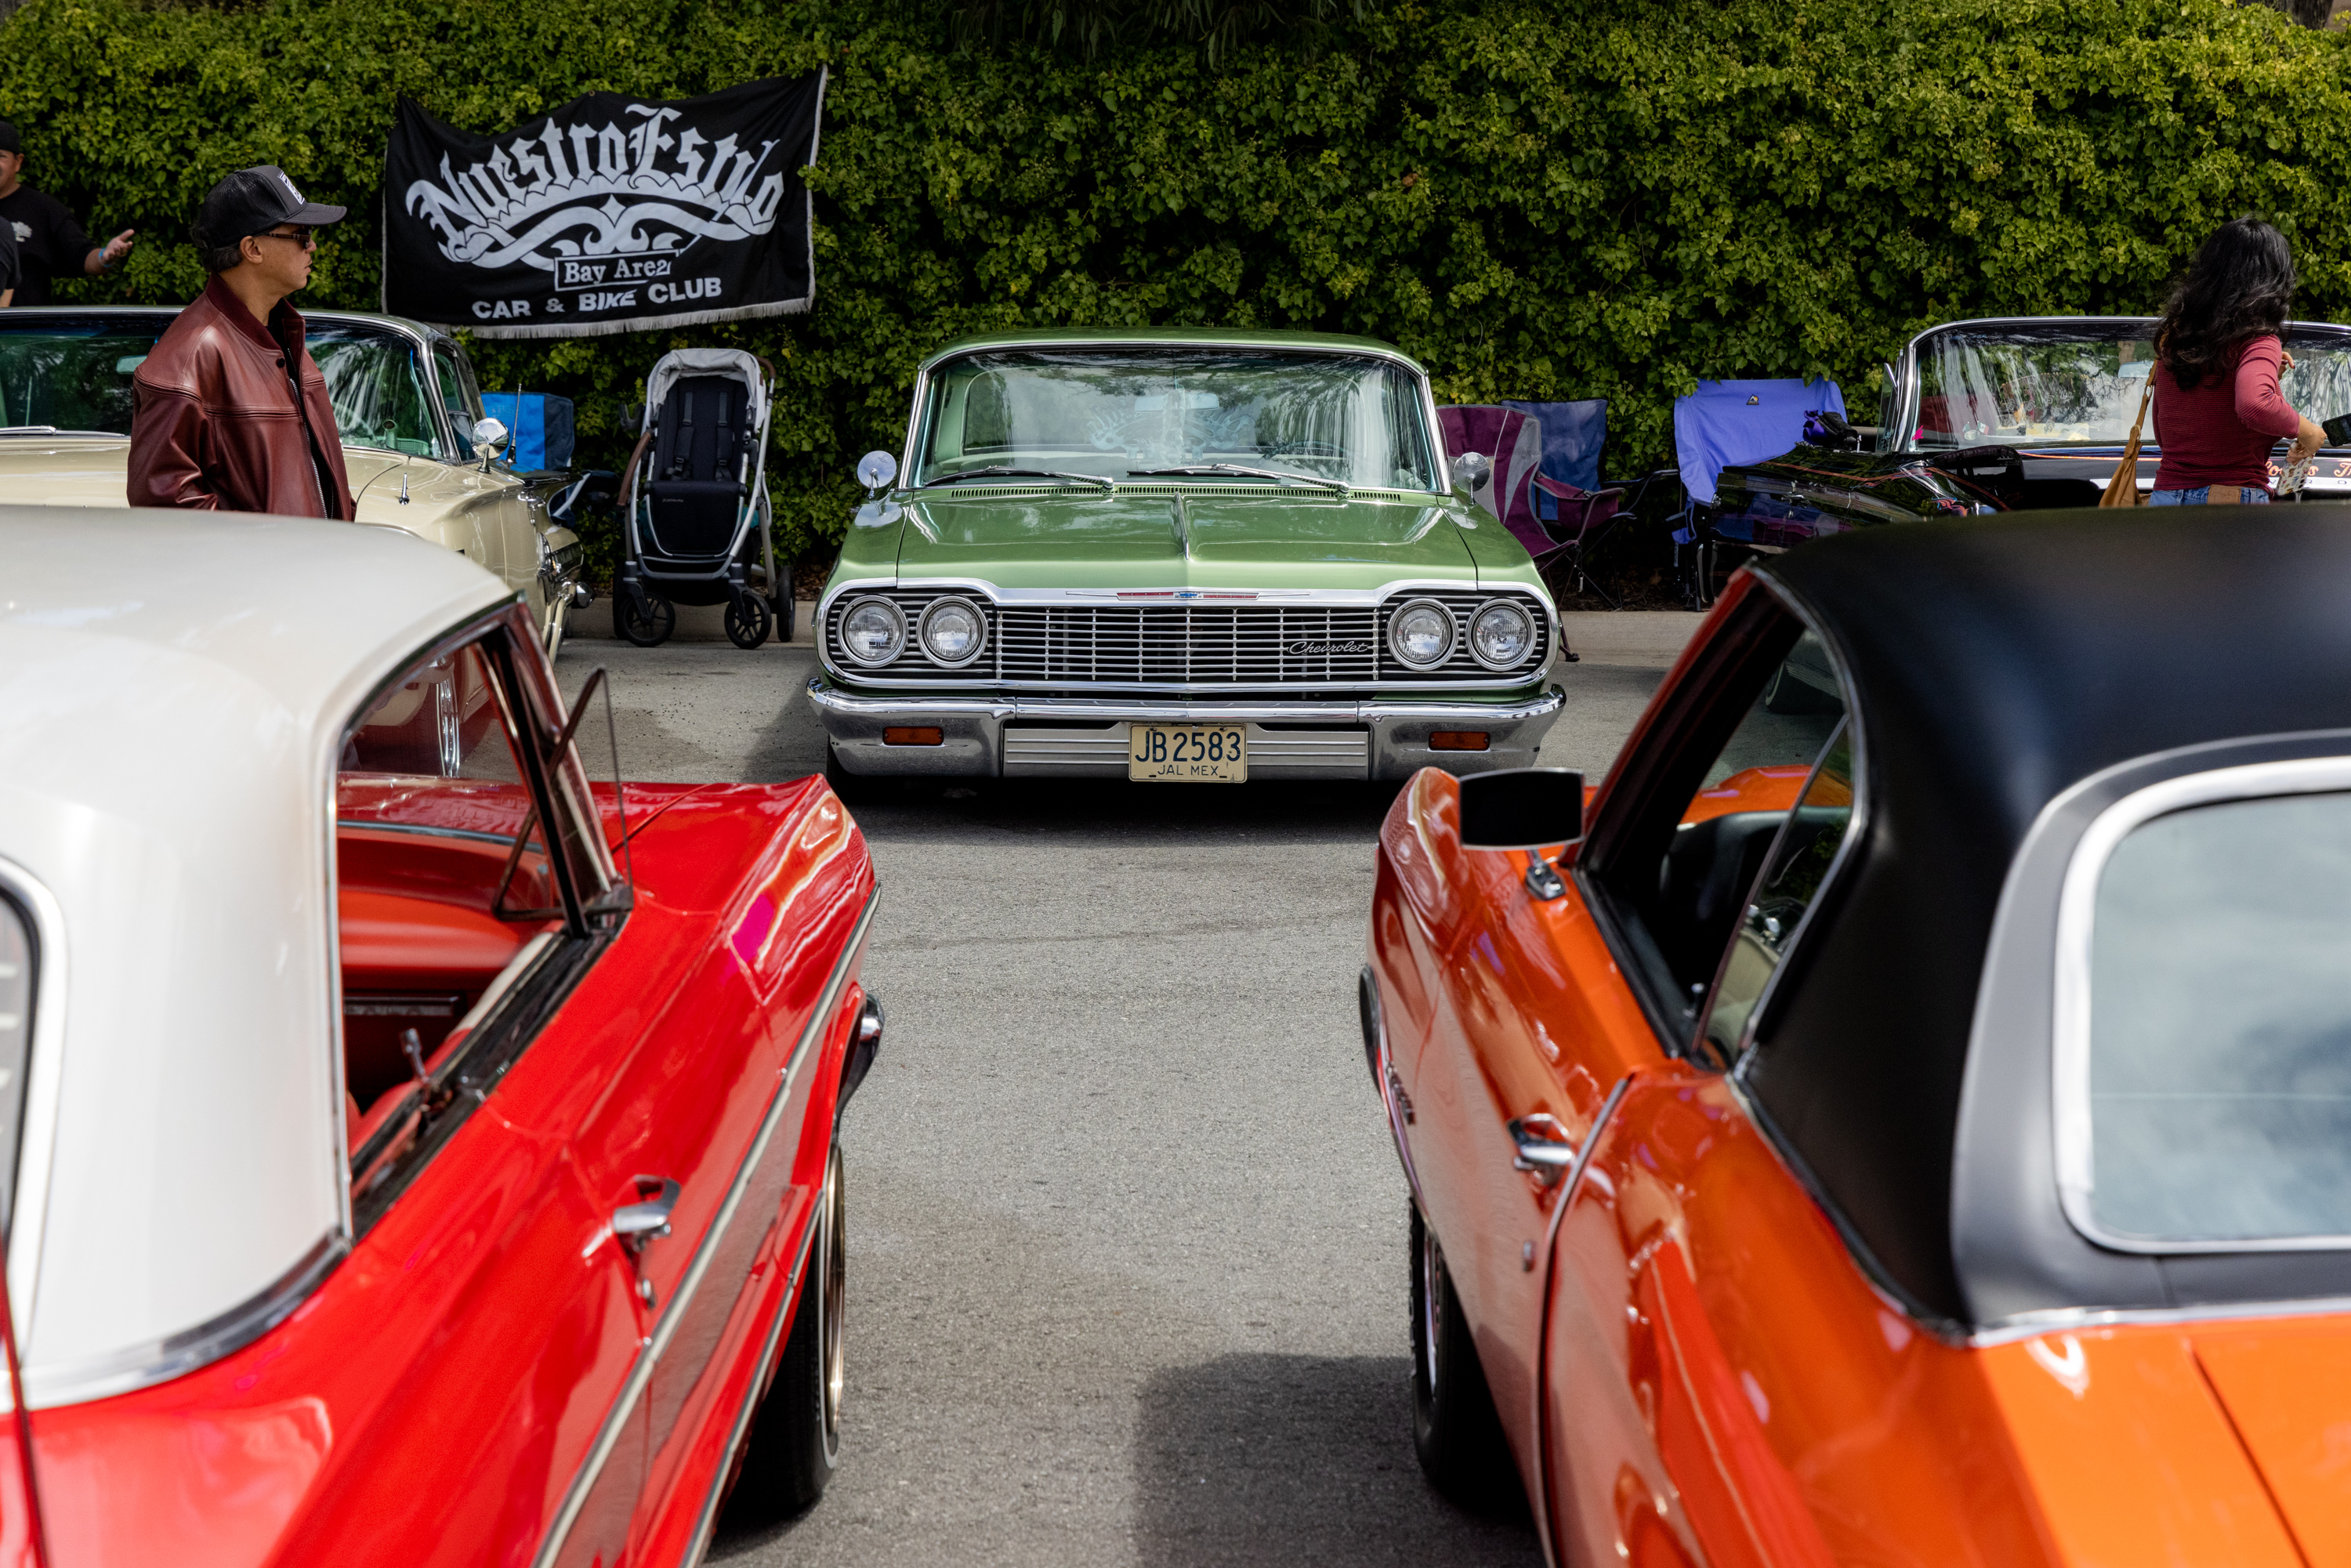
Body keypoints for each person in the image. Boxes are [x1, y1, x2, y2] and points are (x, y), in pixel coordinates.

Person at [126, 165, 353, 517]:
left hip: (314, 567)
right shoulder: (188, 360)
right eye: (301, 234)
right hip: (269, 571)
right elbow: (164, 509)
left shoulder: (283, 334)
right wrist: (264, 562)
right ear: (253, 249)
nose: (313, 246)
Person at [2149, 216, 2324, 506]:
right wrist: (2308, 431)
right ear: (2274, 279)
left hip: (2164, 500)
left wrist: (2265, 374)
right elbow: (2255, 404)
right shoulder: (2260, 340)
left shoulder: (2174, 339)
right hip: (2230, 504)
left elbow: (2164, 433)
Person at [0, 120, 135, 306]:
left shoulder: (43, 209)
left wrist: (105, 256)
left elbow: (84, 257)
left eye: (0, 156)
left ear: (18, 162)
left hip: (25, 331)